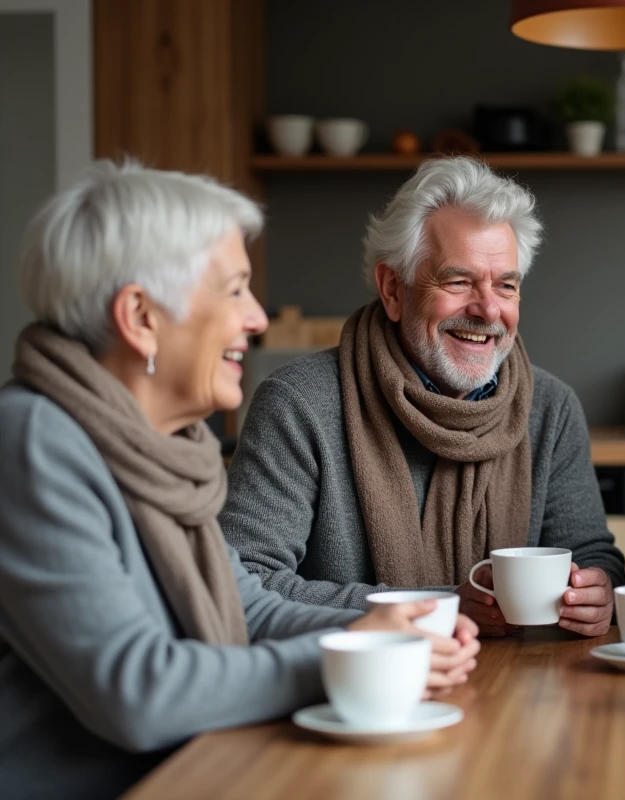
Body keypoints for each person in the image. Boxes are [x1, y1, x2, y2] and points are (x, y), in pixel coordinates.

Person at [0, 162, 480, 799]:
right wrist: (347, 657)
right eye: (234, 291)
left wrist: (397, 629)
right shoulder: (35, 441)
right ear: (141, 316)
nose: (257, 319)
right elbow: (136, 691)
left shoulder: (164, 446)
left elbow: (244, 607)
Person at [221, 157, 625, 637]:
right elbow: (240, 582)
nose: (488, 309)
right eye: (458, 282)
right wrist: (437, 608)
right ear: (393, 288)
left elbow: (594, 557)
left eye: (506, 286)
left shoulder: (551, 409)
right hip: (360, 692)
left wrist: (597, 591)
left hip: (523, 689)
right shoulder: (297, 405)